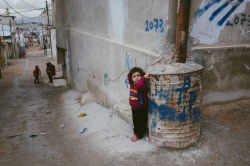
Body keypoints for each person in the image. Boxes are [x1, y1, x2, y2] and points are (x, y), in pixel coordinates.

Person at [127, 67, 150, 142]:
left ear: (142, 76)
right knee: (135, 121)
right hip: (134, 107)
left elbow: (139, 86)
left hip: (142, 108)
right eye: (134, 76)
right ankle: (136, 132)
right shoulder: (132, 84)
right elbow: (128, 75)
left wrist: (143, 78)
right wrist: (132, 74)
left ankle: (139, 135)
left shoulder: (142, 86)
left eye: (138, 76)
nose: (136, 78)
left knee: (141, 122)